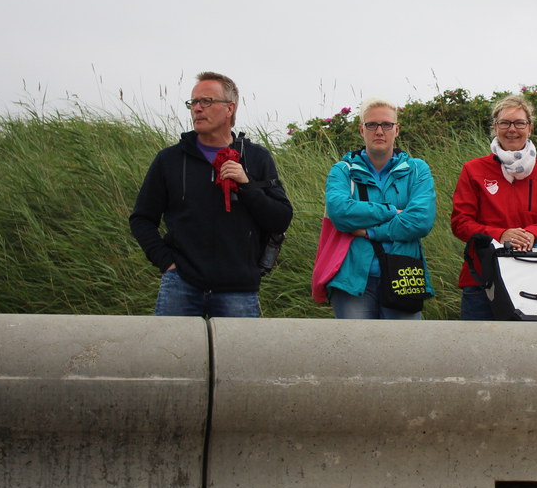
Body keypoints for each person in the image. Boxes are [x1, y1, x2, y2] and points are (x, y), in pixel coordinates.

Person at [130, 72, 292, 317]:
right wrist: (167, 263)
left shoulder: (257, 158)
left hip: (239, 289)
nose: (197, 108)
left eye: (206, 101)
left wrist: (247, 185)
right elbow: (142, 218)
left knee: (236, 345)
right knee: (174, 345)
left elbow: (280, 219)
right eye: (193, 102)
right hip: (181, 284)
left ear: (229, 108)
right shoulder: (169, 159)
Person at [451, 94, 537, 320]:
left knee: (530, 344)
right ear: (495, 127)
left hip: (534, 278)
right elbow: (460, 223)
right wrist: (501, 234)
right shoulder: (473, 170)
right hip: (483, 281)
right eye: (505, 123)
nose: (512, 129)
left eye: (519, 123)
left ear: (530, 127)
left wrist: (532, 233)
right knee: (477, 343)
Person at [324, 98, 436, 319]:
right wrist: (392, 211)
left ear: (397, 130)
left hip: (404, 275)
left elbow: (421, 220)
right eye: (371, 125)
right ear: (361, 130)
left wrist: (370, 232)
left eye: (386, 125)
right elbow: (340, 213)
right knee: (356, 342)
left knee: (403, 342)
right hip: (353, 280)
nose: (379, 131)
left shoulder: (417, 170)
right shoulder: (342, 171)